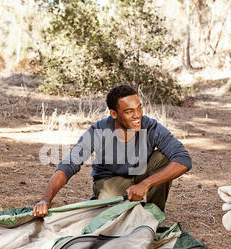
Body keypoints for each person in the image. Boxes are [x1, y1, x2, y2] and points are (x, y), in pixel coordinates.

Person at [33, 84, 192, 217]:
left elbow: (183, 159)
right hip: (111, 183)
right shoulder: (99, 130)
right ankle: (105, 207)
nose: (137, 115)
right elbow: (68, 165)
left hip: (140, 177)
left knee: (165, 158)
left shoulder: (150, 126)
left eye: (139, 108)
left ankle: (151, 217)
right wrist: (46, 200)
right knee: (110, 217)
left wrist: (146, 184)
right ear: (114, 114)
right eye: (129, 111)